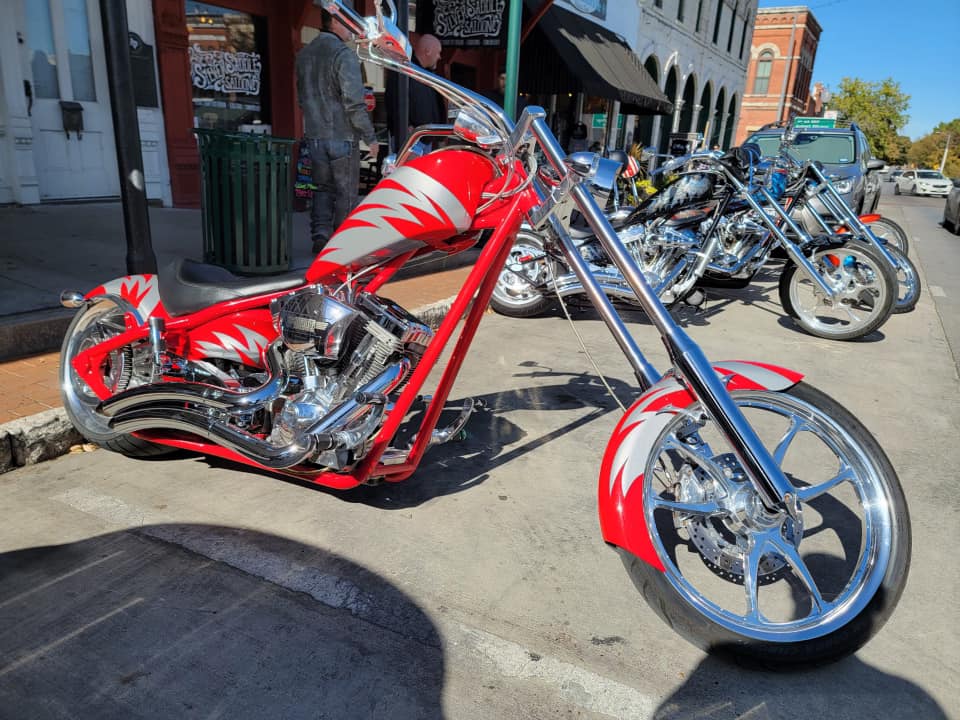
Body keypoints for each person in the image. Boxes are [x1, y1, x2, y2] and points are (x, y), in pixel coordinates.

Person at [296, 10, 379, 254]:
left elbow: (302, 98)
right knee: (346, 192)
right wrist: (370, 137)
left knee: (321, 189)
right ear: (334, 22)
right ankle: (342, 244)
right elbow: (354, 103)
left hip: (315, 134)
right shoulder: (344, 55)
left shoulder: (304, 55)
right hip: (342, 136)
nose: (351, 30)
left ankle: (321, 235)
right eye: (347, 24)